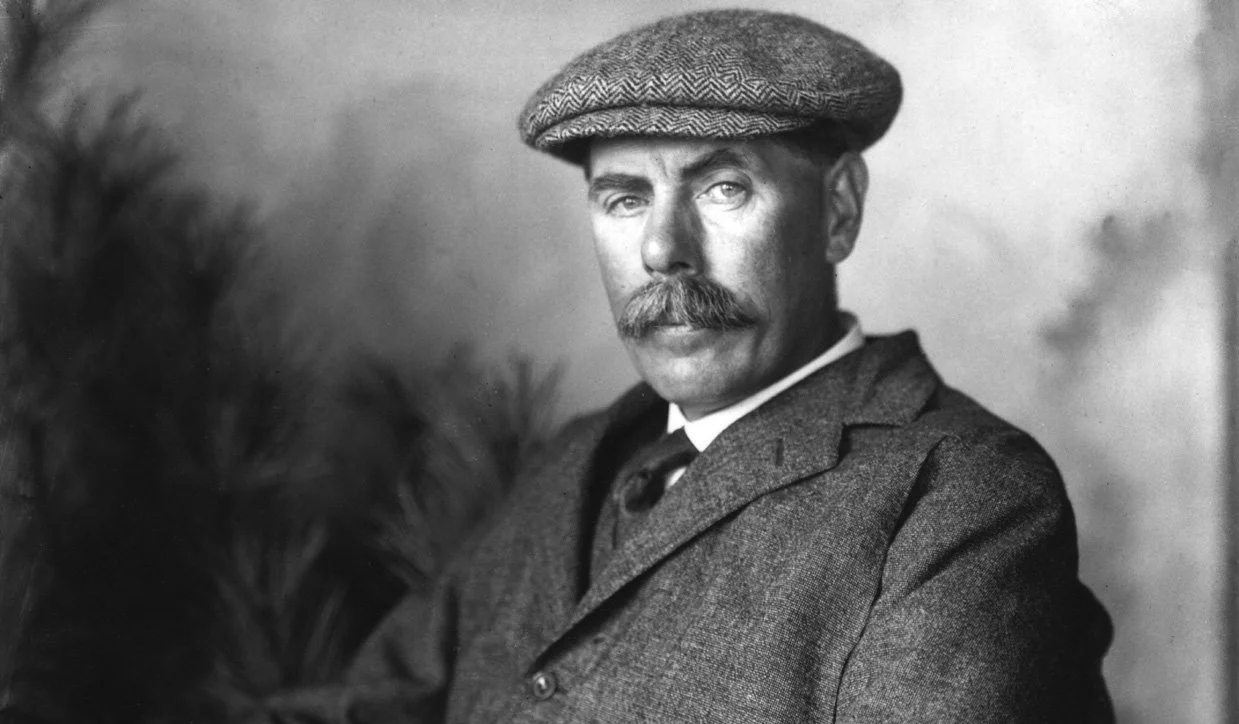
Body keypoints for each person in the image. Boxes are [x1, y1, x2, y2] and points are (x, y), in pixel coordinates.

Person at [287, 9, 1115, 722]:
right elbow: (376, 704)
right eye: (625, 199)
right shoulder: (577, 460)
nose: (661, 251)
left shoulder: (959, 498)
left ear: (837, 211)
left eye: (721, 189)